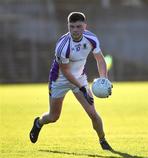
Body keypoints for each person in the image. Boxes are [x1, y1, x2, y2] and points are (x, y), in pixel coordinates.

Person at [29, 12, 112, 150]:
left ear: (85, 26)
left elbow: (100, 59)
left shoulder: (91, 38)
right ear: (68, 26)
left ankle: (103, 140)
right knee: (54, 116)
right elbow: (66, 72)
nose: (75, 30)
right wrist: (83, 88)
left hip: (79, 77)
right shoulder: (63, 46)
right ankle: (39, 123)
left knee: (92, 113)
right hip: (59, 80)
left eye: (78, 26)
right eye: (71, 26)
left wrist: (104, 79)